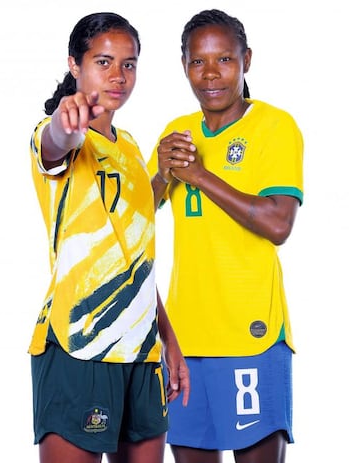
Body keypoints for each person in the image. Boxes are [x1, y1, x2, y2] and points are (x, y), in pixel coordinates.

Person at [28, 12, 189, 463]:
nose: (119, 76)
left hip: (141, 353)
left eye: (129, 64)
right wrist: (67, 124)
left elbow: (134, 251)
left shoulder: (132, 147)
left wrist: (168, 338)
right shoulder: (54, 133)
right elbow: (56, 143)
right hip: (81, 345)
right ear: (74, 65)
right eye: (104, 61)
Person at [148, 8, 304, 463]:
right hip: (185, 342)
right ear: (184, 66)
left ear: (246, 60)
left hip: (249, 335)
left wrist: (200, 176)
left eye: (224, 60)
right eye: (198, 61)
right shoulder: (175, 135)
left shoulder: (274, 126)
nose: (211, 74)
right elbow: (135, 221)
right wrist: (161, 175)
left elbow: (279, 225)